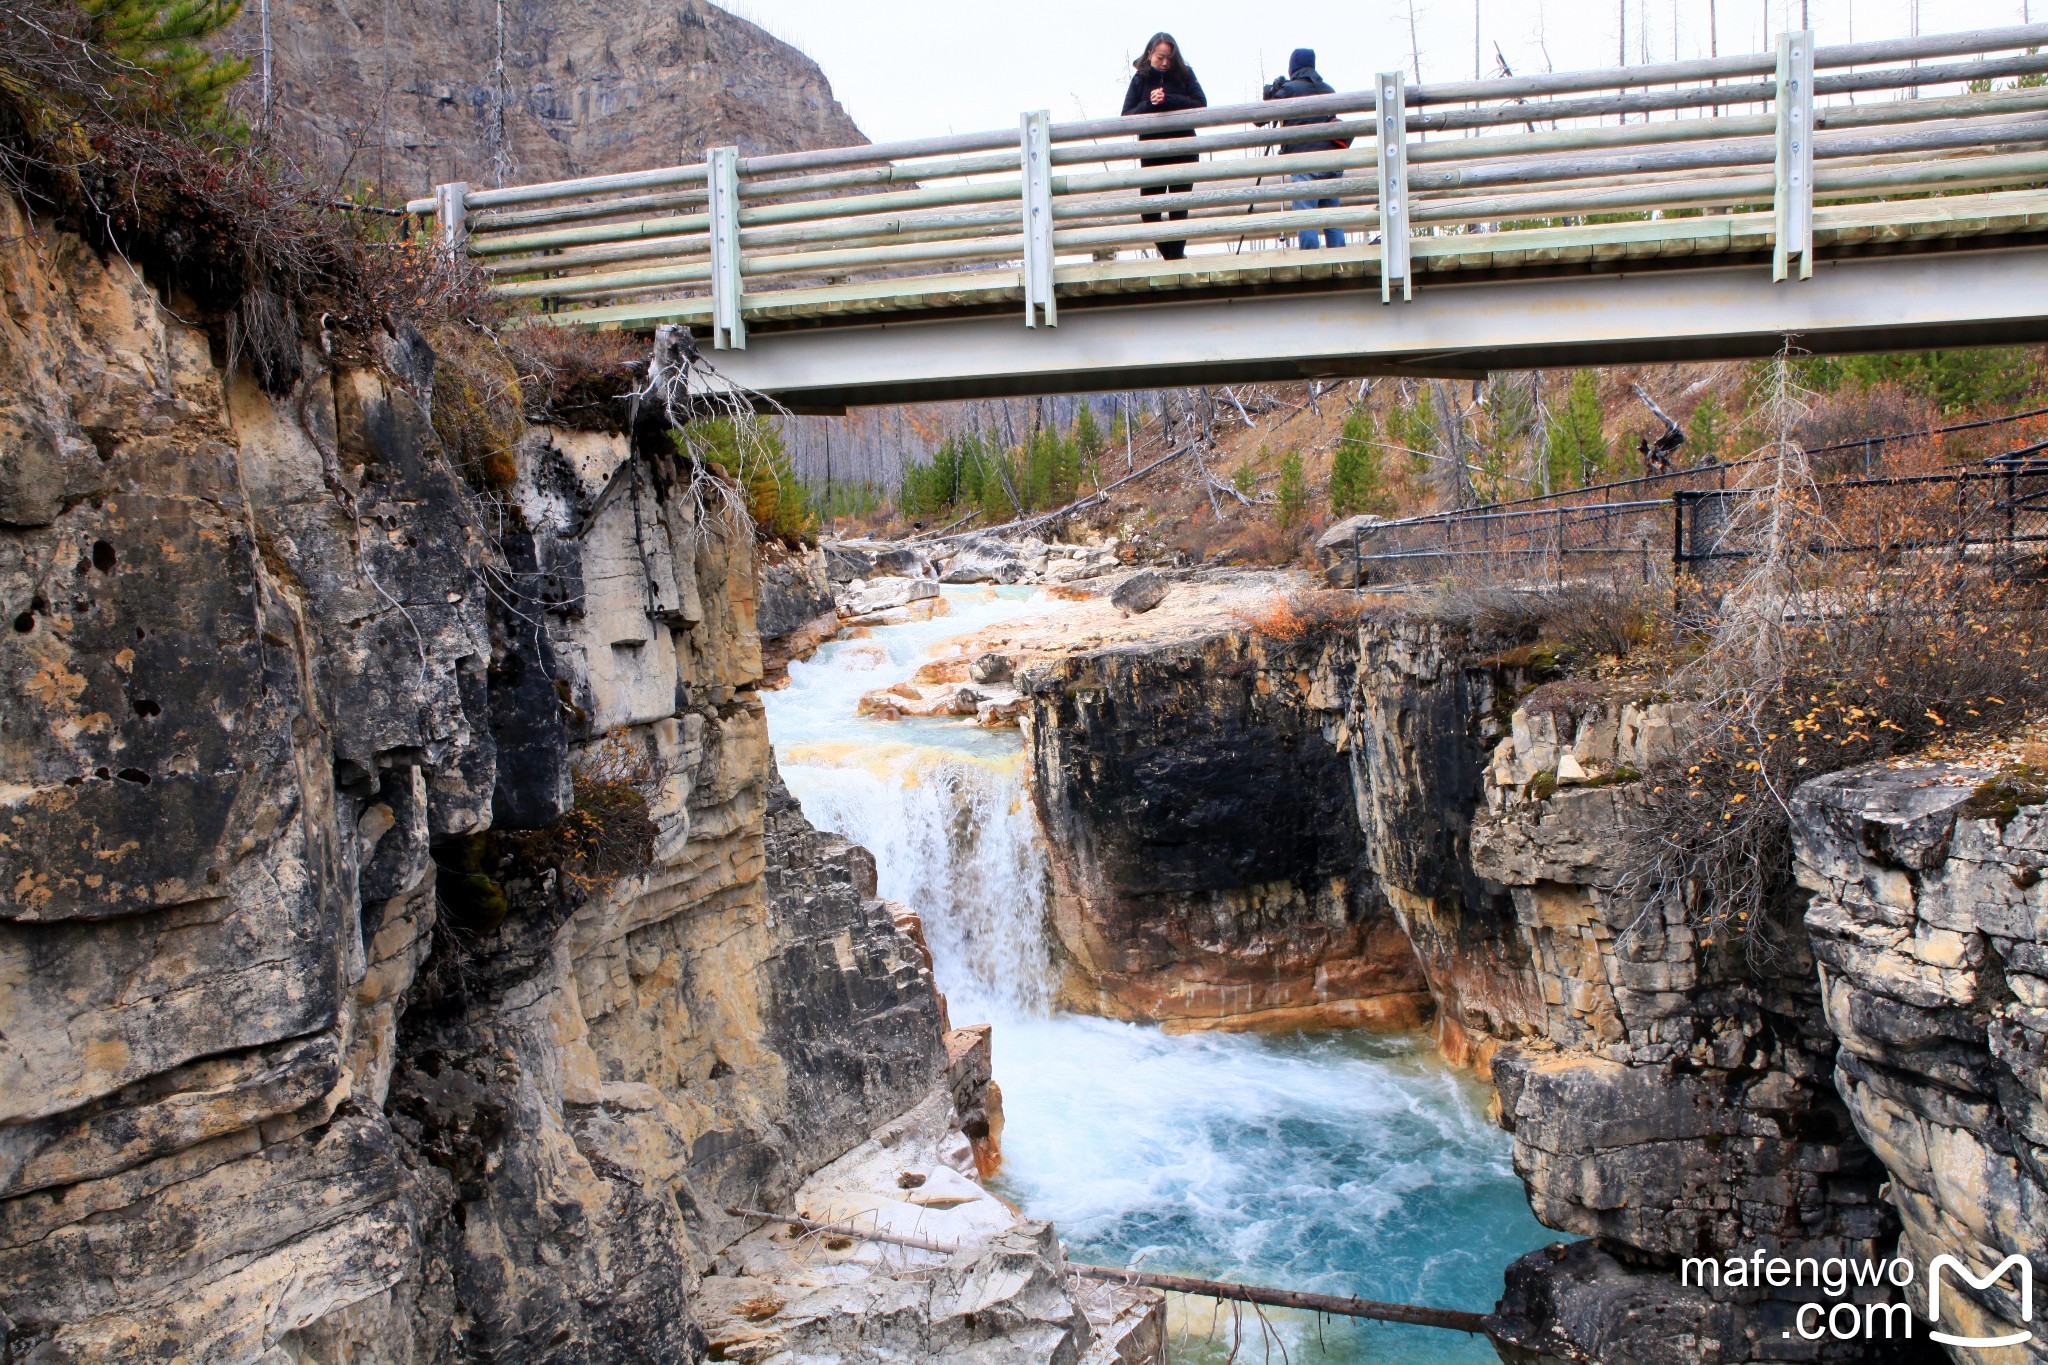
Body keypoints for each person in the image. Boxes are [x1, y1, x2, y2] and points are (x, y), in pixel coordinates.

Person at [1121, 33, 1208, 261]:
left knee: (1178, 209)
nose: (1165, 63)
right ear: (1150, 53)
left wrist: (1170, 99)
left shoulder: (1185, 74)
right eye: (1161, 57)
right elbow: (1126, 115)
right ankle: (1173, 258)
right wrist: (1149, 103)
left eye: (1169, 58)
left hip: (1184, 150)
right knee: (1149, 212)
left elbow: (1201, 104)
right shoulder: (1140, 78)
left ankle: (1174, 260)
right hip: (1152, 152)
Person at [1263, 48, 1347, 249]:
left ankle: (1310, 264)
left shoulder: (1290, 90)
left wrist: (1274, 93)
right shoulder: (1328, 90)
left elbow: (1260, 119)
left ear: (1293, 67)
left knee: (1305, 217)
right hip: (1333, 161)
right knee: (1332, 217)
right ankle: (1340, 261)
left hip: (1304, 161)